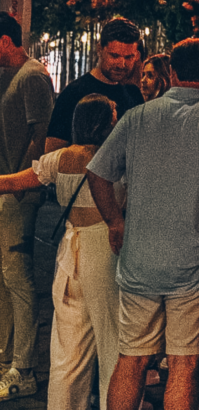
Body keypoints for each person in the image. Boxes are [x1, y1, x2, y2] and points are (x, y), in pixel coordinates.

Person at [86, 37, 199, 410]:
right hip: (197, 263)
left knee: (131, 359)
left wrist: (115, 221)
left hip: (139, 261)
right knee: (184, 365)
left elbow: (97, 172)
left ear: (173, 73)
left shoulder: (136, 117)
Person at [0, 95, 121, 409]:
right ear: (104, 123)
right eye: (114, 115)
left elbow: (13, 183)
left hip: (69, 256)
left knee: (67, 351)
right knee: (113, 346)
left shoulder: (59, 159)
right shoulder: (115, 160)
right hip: (105, 252)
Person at [0, 12, 54, 402]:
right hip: (7, 187)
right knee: (6, 276)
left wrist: (19, 185)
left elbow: (42, 134)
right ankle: (7, 360)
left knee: (17, 277)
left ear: (5, 41)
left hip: (18, 190)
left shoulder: (32, 76)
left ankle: (25, 367)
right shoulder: (12, 76)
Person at [46, 18, 144, 154]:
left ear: (137, 55)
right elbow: (52, 153)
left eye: (128, 57)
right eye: (114, 56)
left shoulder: (134, 94)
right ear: (100, 49)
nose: (121, 64)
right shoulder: (74, 93)